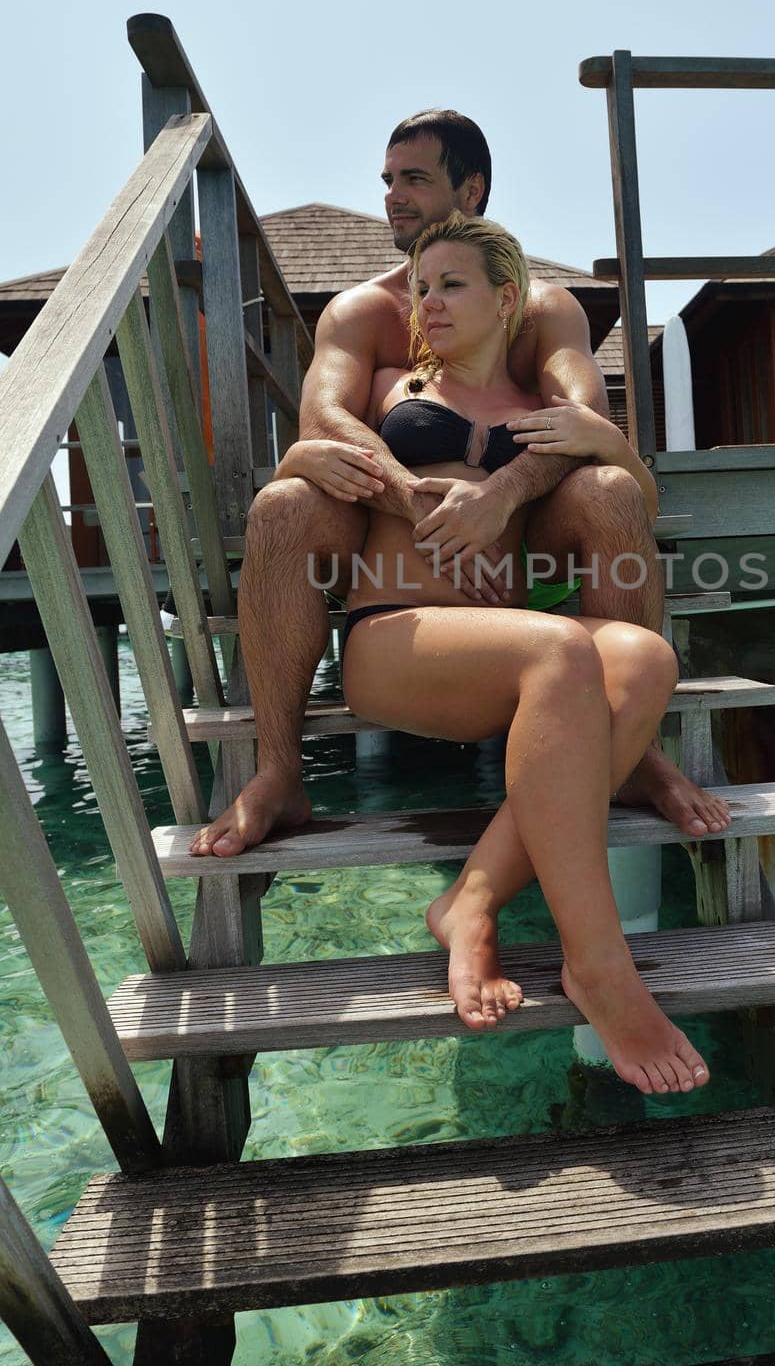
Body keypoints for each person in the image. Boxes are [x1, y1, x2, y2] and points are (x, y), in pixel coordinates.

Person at [190, 108, 731, 860]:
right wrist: (428, 513)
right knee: (286, 503)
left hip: (525, 541)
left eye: (416, 178)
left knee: (607, 488)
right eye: (387, 180)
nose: (393, 195)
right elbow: (323, 417)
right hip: (388, 553)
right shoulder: (365, 312)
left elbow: (581, 420)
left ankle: (633, 753)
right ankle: (280, 769)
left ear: (471, 189)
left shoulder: (542, 310)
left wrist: (501, 496)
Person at [316, 212, 710, 1095]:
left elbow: (631, 494)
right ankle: (598, 966)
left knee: (644, 660)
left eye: (450, 284)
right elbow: (314, 442)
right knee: (563, 650)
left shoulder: (539, 412)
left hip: (505, 639)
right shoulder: (388, 387)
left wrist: (606, 446)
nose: (427, 301)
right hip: (396, 634)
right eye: (420, 287)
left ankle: (472, 901)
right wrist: (374, 475)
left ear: (507, 299)